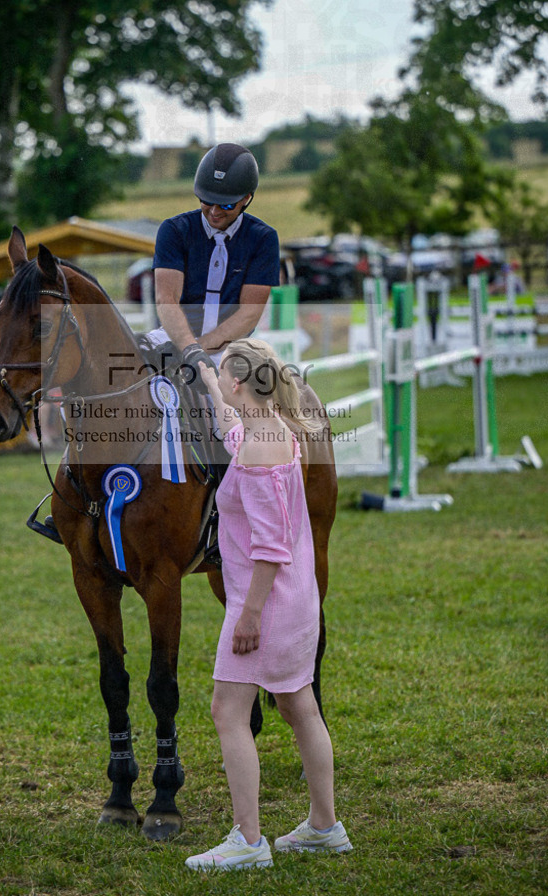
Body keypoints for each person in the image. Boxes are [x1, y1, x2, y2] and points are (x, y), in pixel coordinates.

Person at [185, 339, 352, 872]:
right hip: (297, 600)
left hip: (266, 604)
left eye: (224, 380)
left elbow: (270, 547)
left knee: (227, 711)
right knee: (299, 706)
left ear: (241, 384)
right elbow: (231, 430)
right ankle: (325, 828)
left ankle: (248, 841)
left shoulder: (260, 449)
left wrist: (250, 615)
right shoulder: (274, 430)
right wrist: (210, 384)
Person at [148, 143, 280, 372]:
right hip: (173, 338)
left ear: (246, 198)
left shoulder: (263, 239)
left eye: (226, 205)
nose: (215, 212)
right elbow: (166, 298)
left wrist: (198, 349)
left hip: (231, 348)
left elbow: (249, 313)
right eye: (207, 201)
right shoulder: (174, 230)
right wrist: (187, 347)